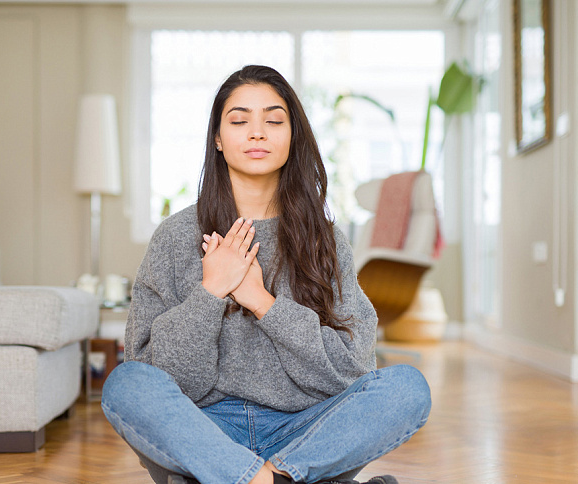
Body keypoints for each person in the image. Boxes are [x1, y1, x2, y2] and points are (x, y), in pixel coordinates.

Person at [101, 65, 431, 484]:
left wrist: (262, 301)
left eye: (274, 121)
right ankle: (270, 479)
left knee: (407, 388)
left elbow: (351, 370)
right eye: (239, 121)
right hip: (207, 432)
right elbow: (154, 373)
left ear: (292, 137)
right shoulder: (176, 237)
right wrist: (211, 291)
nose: (257, 133)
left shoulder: (326, 240)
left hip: (304, 429)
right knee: (126, 385)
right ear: (218, 139)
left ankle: (259, 477)